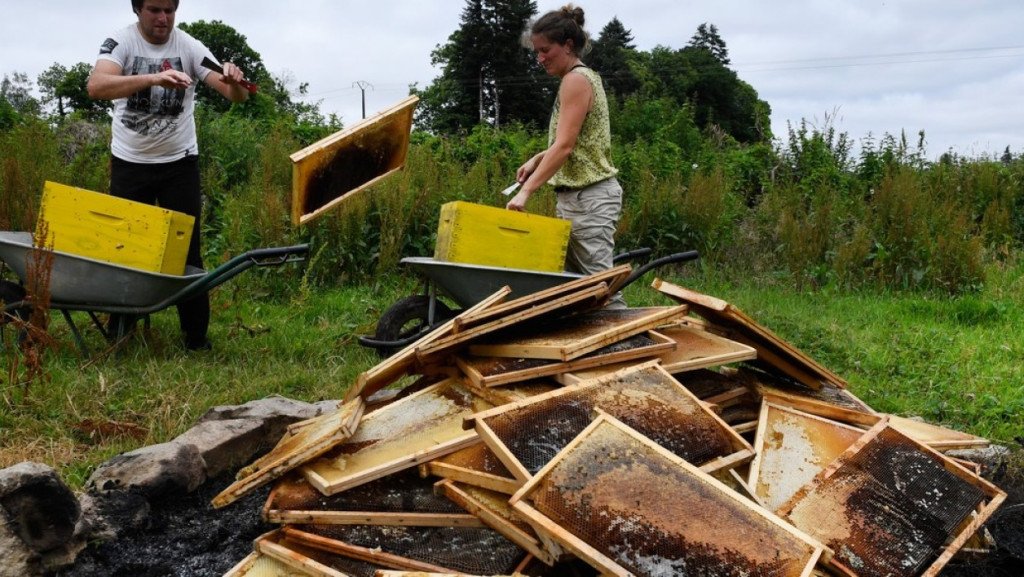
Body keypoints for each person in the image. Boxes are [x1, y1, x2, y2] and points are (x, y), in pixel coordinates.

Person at [87, 0, 250, 350]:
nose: (162, 18)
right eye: (154, 10)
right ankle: (121, 334)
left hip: (179, 164)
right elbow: (97, 86)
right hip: (130, 163)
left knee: (187, 253)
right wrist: (154, 77)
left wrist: (234, 81)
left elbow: (234, 96)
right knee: (126, 251)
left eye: (169, 11)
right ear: (137, 10)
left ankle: (195, 339)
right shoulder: (121, 43)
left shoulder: (189, 46)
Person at [506, 4, 624, 307]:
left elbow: (566, 146)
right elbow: (578, 140)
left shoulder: (576, 80)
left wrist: (526, 192)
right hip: (576, 198)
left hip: (590, 198)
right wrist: (537, 159)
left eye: (545, 50)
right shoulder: (578, 79)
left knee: (602, 289)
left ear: (568, 45)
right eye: (536, 52)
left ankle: (629, 347)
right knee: (577, 290)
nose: (540, 58)